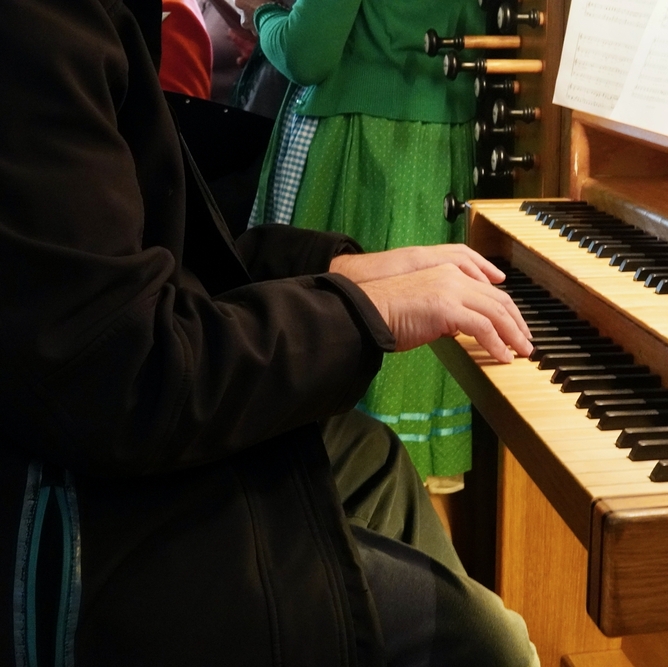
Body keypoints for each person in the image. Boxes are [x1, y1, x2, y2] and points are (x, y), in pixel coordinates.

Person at [0, 0, 538, 665]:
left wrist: (334, 268)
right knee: (488, 640)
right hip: (59, 511)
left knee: (372, 451)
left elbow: (156, 264)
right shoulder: (36, 24)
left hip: (114, 421)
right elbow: (118, 372)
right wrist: (359, 311)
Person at [236, 0, 485, 493]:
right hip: (440, 144)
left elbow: (308, 53)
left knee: (333, 359)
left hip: (360, 148)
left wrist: (261, 13)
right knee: (417, 355)